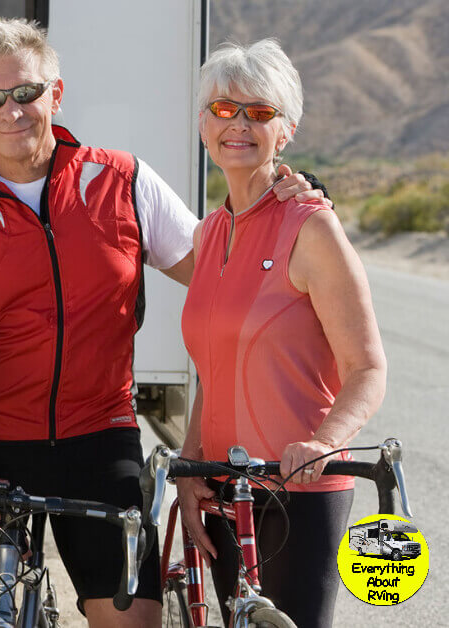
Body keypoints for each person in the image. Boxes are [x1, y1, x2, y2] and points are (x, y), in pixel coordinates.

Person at [0, 17, 328, 628]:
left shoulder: (123, 183)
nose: (10, 110)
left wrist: (286, 201)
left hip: (98, 440)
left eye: (26, 92)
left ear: (56, 94)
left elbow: (230, 277)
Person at [177, 39, 386, 628]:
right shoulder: (208, 234)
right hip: (220, 490)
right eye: (223, 109)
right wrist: (192, 472)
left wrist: (326, 441)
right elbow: (210, 371)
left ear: (285, 130)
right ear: (202, 122)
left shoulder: (311, 227)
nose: (238, 124)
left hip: (301, 493)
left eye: (259, 112)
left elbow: (368, 368)